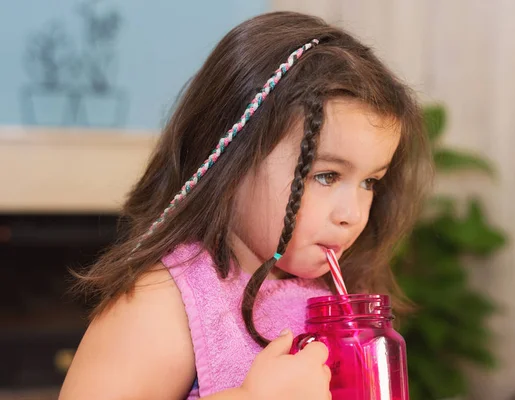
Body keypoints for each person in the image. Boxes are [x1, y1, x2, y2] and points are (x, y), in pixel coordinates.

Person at [59, 11, 431, 400]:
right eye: (326, 175)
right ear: (234, 162)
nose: (352, 214)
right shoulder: (165, 301)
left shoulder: (327, 296)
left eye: (370, 182)